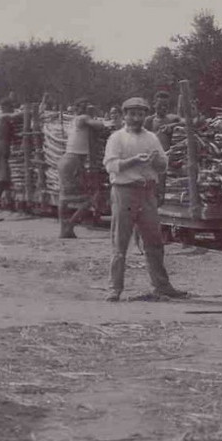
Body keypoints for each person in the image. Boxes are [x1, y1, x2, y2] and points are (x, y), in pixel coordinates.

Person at [103, 96, 187, 302]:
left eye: (140, 114)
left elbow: (163, 165)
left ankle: (162, 286)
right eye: (132, 114)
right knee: (120, 241)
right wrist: (133, 161)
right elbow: (110, 165)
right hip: (124, 191)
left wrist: (156, 161)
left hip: (147, 191)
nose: (136, 118)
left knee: (154, 241)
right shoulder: (117, 138)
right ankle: (115, 288)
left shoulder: (151, 137)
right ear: (125, 116)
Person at [58, 98, 105, 238]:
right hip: (73, 161)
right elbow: (99, 125)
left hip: (66, 160)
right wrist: (95, 114)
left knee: (64, 197)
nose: (83, 109)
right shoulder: (83, 118)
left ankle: (64, 228)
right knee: (90, 198)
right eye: (82, 106)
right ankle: (70, 225)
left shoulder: (73, 120)